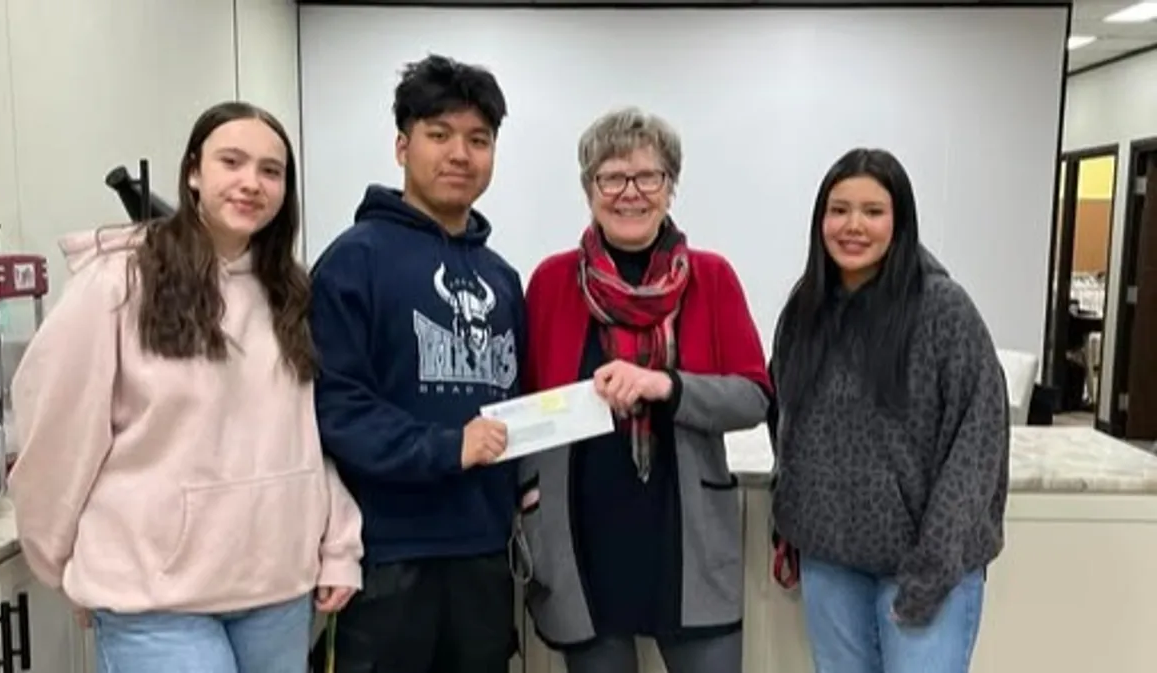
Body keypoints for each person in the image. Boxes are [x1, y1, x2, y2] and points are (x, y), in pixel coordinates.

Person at [7, 101, 364, 672]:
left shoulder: (289, 292)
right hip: (155, 599)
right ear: (194, 171)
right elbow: (57, 432)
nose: (251, 183)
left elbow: (308, 436)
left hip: (275, 589)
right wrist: (64, 562)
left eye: (271, 171)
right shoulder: (119, 281)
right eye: (232, 161)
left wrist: (339, 546)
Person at [514, 106, 772, 673]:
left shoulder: (713, 277)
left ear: (669, 187)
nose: (629, 192)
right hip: (584, 543)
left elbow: (754, 398)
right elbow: (527, 405)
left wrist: (665, 385)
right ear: (589, 189)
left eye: (647, 176)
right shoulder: (551, 281)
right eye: (611, 176)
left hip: (687, 543)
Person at [310, 54, 525, 673]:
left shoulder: (502, 278)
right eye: (439, 134)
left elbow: (518, 398)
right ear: (402, 145)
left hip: (485, 550)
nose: (461, 153)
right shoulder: (353, 261)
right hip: (387, 556)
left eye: (478, 139)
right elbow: (336, 405)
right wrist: (446, 447)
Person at [768, 148, 1010, 673]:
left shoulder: (943, 310)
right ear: (820, 220)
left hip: (924, 567)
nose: (853, 225)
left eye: (873, 211)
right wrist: (788, 524)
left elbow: (978, 443)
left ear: (899, 221)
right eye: (839, 210)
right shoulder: (804, 311)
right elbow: (786, 422)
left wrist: (935, 563)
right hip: (831, 561)